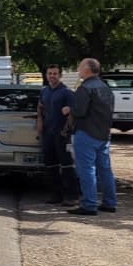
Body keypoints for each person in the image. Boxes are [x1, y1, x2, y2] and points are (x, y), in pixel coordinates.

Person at [62, 58, 117, 215]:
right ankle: (110, 202)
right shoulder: (106, 88)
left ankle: (89, 204)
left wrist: (68, 109)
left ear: (87, 69)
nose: (78, 69)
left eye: (80, 66)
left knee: (86, 170)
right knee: (105, 169)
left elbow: (80, 111)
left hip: (86, 133)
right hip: (103, 133)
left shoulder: (85, 88)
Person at [37, 64, 77, 205]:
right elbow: (40, 108)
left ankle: (72, 196)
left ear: (60, 75)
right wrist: (39, 123)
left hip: (62, 134)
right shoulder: (44, 91)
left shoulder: (66, 92)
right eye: (49, 73)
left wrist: (67, 128)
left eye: (55, 73)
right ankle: (56, 194)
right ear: (46, 75)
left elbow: (73, 112)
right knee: (51, 165)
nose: (52, 76)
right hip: (48, 133)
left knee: (66, 165)